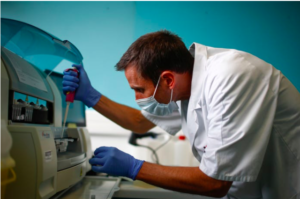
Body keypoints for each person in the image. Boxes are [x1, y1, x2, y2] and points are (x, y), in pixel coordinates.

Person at [62, 30, 300, 199]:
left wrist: (134, 168)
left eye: (139, 89)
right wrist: (91, 97)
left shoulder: (231, 77)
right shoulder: (185, 84)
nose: (137, 98)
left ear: (167, 79)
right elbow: (139, 122)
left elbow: (215, 182)